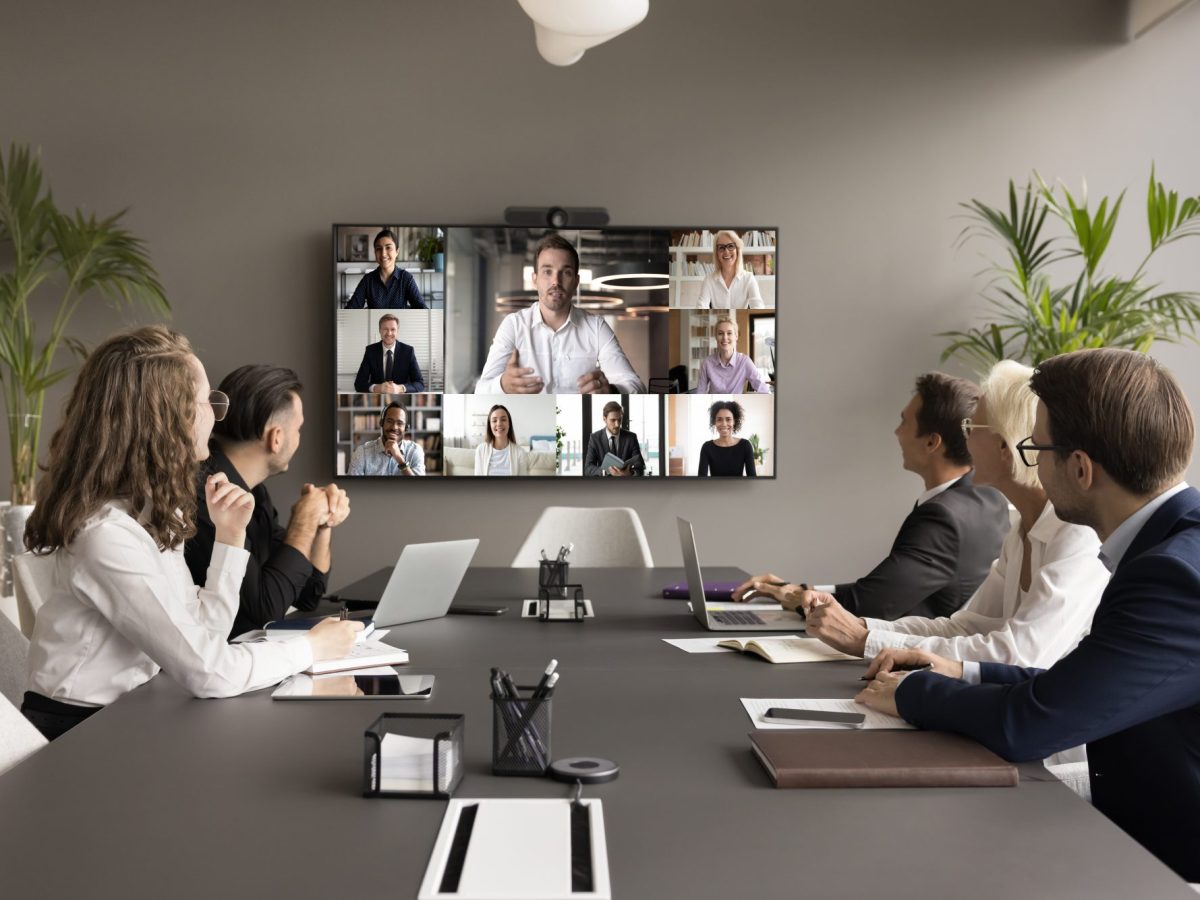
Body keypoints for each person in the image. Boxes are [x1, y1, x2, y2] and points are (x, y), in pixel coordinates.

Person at [856, 348, 1200, 882]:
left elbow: (1034, 724)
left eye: (1038, 448)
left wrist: (909, 693)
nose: (1032, 462)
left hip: (1164, 862)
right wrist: (960, 671)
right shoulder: (1172, 549)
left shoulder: (1171, 578)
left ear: (1081, 468)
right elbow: (1079, 685)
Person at [20, 327, 361, 740]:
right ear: (170, 417)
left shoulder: (146, 513)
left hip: (132, 712)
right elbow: (209, 671)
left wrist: (230, 538)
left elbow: (207, 635)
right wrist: (311, 648)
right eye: (209, 403)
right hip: (77, 736)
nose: (217, 418)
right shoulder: (106, 537)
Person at [798, 361, 1107, 667]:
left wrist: (862, 640)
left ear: (1005, 445)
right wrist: (864, 629)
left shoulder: (1077, 534)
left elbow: (1019, 656)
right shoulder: (1022, 532)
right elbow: (963, 627)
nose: (965, 440)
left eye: (971, 427)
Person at [734, 372, 1009, 619]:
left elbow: (866, 605)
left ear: (931, 442)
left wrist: (791, 596)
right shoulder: (989, 498)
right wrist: (798, 589)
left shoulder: (942, 517)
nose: (897, 432)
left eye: (903, 422)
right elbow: (878, 591)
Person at [184, 365, 352, 639]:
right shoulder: (207, 495)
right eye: (298, 429)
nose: (299, 439)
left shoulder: (255, 492)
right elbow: (265, 609)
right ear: (276, 438)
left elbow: (308, 595)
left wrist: (322, 523)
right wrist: (305, 520)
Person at [475, 233, 645, 394]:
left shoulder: (596, 326)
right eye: (547, 271)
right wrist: (503, 385)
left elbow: (636, 386)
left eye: (566, 272)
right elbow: (481, 390)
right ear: (535, 279)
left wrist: (611, 391)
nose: (556, 281)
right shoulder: (513, 325)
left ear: (576, 282)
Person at [345, 229, 427, 309]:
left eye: (388, 248)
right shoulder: (368, 280)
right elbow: (351, 309)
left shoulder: (406, 278)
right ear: (375, 253)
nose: (383, 254)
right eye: (378, 249)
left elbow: (422, 310)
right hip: (375, 323)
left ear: (397, 252)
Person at [348, 401, 426, 476]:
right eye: (389, 421)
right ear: (381, 423)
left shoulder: (415, 451)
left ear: (406, 428)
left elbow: (420, 487)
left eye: (400, 423)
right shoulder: (362, 453)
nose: (394, 427)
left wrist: (399, 458)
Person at [353, 314, 425, 394]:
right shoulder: (370, 351)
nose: (389, 333)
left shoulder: (408, 351)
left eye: (393, 329)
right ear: (380, 330)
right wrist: (377, 388)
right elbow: (359, 383)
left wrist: (400, 388)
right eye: (385, 329)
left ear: (397, 331)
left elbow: (420, 383)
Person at [696, 317, 770, 394]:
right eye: (720, 333)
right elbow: (700, 392)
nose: (725, 337)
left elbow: (763, 390)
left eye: (729, 333)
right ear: (716, 337)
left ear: (736, 336)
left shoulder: (744, 362)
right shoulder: (707, 362)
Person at [695, 230, 765, 310]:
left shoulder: (749, 278)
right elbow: (701, 306)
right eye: (721, 247)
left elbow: (758, 307)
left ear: (737, 250)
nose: (726, 251)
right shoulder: (709, 280)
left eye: (731, 246)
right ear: (717, 253)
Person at [584, 401, 644, 476]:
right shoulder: (595, 438)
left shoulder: (631, 437)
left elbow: (640, 466)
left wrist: (630, 473)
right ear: (604, 419)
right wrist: (605, 472)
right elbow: (588, 468)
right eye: (613, 420)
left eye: (619, 420)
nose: (617, 424)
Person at [698, 400, 757, 477]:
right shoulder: (707, 447)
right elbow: (701, 481)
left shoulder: (745, 445)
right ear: (714, 422)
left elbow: (752, 479)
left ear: (734, 421)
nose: (724, 424)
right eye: (719, 419)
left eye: (728, 419)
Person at [474, 404, 530, 476]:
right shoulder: (481, 450)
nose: (499, 424)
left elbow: (522, 485)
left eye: (503, 420)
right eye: (494, 421)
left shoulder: (520, 453)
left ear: (509, 424)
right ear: (490, 425)